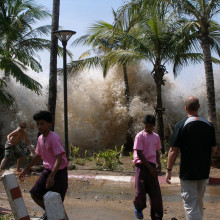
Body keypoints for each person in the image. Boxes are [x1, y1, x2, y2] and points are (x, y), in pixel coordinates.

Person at [166, 96, 217, 220]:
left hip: (188, 172)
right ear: (198, 107)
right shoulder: (208, 125)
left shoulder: (181, 125)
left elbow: (173, 150)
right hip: (204, 171)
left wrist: (168, 170)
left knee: (190, 204)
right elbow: (214, 149)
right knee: (198, 201)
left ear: (185, 108)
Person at [19, 111, 68, 220]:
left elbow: (59, 158)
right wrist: (26, 169)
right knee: (35, 194)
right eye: (38, 124)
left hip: (58, 173)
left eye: (42, 123)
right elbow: (38, 156)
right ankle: (52, 213)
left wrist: (52, 176)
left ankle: (58, 215)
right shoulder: (40, 138)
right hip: (47, 171)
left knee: (55, 200)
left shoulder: (53, 138)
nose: (39, 126)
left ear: (49, 124)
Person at [133, 114, 163, 220]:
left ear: (153, 126)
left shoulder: (156, 137)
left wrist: (159, 164)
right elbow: (140, 153)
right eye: (147, 125)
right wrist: (150, 168)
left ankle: (157, 216)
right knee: (140, 191)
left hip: (152, 165)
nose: (148, 127)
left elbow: (157, 151)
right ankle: (138, 208)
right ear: (144, 124)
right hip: (141, 166)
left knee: (155, 195)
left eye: (151, 125)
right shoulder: (140, 136)